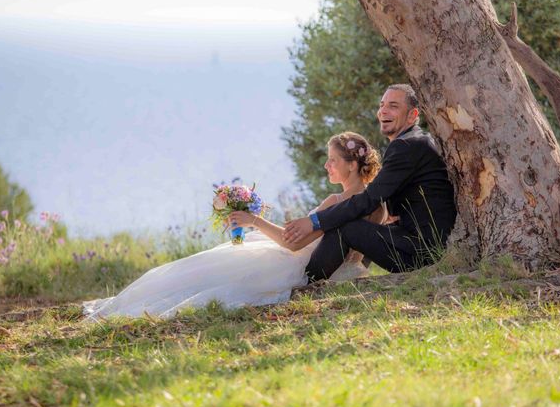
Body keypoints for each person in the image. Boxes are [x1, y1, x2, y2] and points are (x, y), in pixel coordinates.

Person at [83, 132, 385, 319]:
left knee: (210, 269)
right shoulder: (377, 202)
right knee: (214, 265)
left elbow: (290, 243)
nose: (327, 165)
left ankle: (134, 304)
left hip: (297, 265)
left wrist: (253, 220)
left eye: (333, 160)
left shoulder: (337, 200)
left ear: (352, 164)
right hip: (332, 265)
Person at [283, 84, 457, 281]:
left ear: (412, 115)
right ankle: (345, 276)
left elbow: (369, 199)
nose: (383, 110)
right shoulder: (416, 141)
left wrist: (314, 221)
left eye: (393, 106)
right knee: (360, 225)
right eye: (382, 105)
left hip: (423, 249)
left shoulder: (407, 146)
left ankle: (307, 283)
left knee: (346, 227)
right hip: (422, 241)